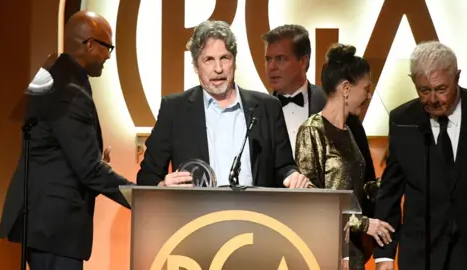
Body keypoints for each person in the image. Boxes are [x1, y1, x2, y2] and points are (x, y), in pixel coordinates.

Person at [0, 11, 134, 270]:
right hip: (55, 229)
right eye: (108, 48)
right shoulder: (70, 91)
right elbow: (89, 170)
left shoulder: (53, 74)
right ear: (91, 45)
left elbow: (54, 147)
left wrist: (90, 157)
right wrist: (141, 199)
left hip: (44, 225)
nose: (108, 57)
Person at [136, 20, 309, 188]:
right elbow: (147, 176)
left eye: (225, 58)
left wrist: (292, 176)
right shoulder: (174, 109)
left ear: (234, 62)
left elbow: (283, 167)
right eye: (208, 60)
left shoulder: (268, 107)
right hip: (197, 216)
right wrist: (163, 186)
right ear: (196, 66)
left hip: (256, 216)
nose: (218, 68)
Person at [295, 43, 394, 270]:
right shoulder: (313, 130)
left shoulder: (350, 131)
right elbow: (310, 201)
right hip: (324, 254)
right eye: (366, 88)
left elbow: (358, 187)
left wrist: (388, 183)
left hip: (354, 253)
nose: (369, 95)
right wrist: (364, 223)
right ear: (347, 88)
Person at [374, 41, 467, 269]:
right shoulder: (402, 120)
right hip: (420, 255)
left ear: (457, 77)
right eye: (424, 90)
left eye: (441, 89)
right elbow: (390, 191)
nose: (433, 99)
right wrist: (384, 255)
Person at [261, 25, 376, 195]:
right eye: (268, 59)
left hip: (330, 215)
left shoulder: (337, 105)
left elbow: (364, 175)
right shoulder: (259, 112)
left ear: (303, 61)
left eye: (280, 59)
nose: (271, 67)